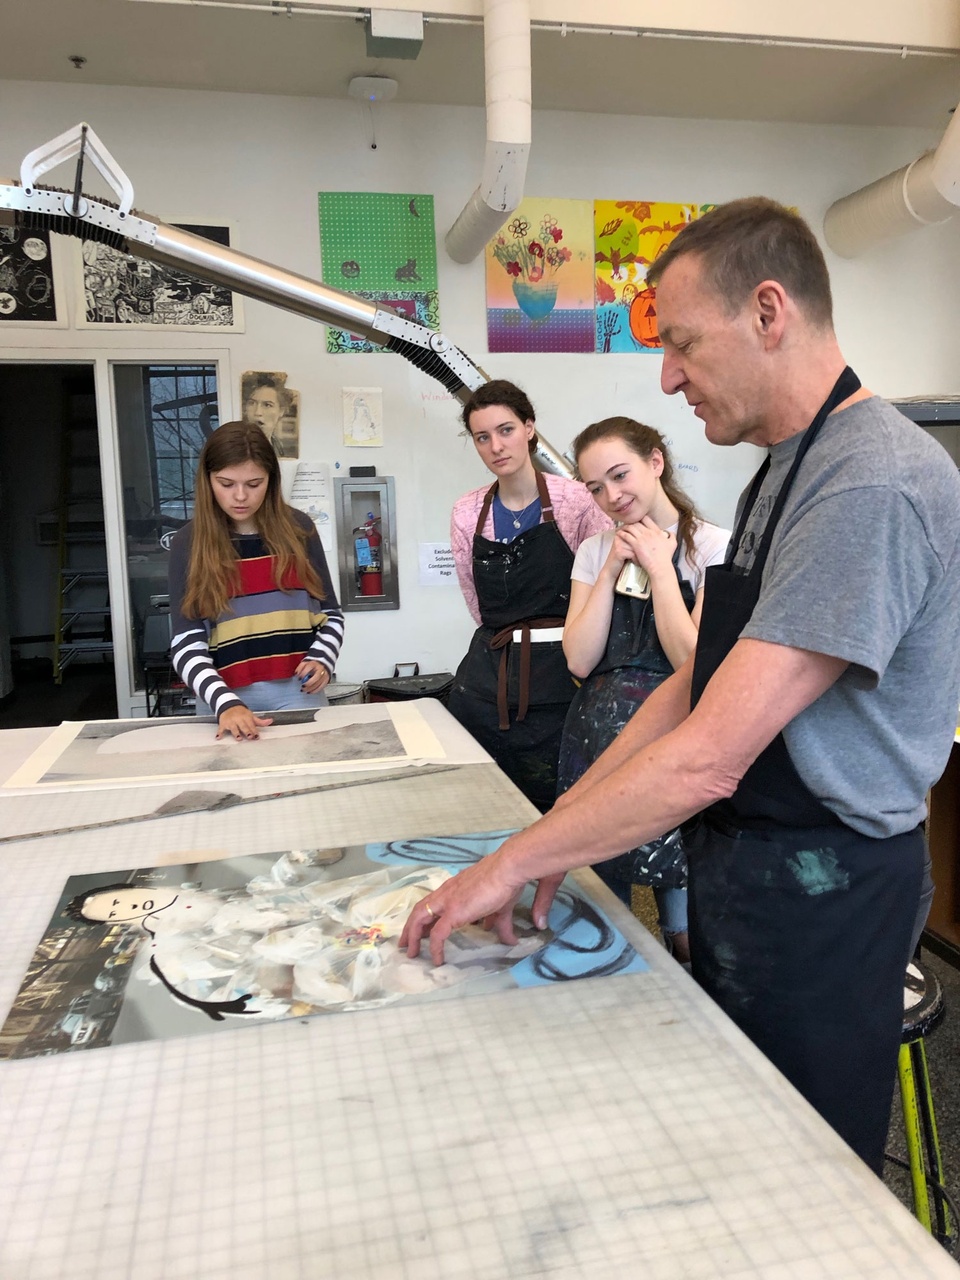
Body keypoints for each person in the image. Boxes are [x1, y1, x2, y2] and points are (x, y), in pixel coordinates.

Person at [402, 197, 960, 1175]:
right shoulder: (785, 470)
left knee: (803, 1176)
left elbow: (709, 752)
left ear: (770, 312)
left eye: (684, 344)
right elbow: (696, 685)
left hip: (823, 888)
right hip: (750, 870)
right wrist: (556, 829)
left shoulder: (867, 482)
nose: (668, 375)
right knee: (735, 1144)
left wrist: (514, 863)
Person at [559, 417, 729, 960]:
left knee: (682, 893)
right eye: (595, 487)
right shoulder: (592, 551)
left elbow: (692, 662)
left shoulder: (712, 546)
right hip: (596, 741)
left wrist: (660, 568)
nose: (611, 496)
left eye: (619, 475)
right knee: (603, 890)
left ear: (655, 461)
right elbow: (580, 659)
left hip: (673, 736)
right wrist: (610, 567)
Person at [447, 379, 612, 811]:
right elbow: (476, 604)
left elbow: (602, 595)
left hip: (562, 687)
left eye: (506, 430)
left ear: (529, 429)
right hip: (485, 689)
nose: (496, 446)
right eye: (483, 437)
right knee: (486, 809)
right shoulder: (467, 511)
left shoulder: (577, 502)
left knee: (563, 810)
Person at [168, 421, 344, 740]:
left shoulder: (300, 529)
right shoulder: (188, 543)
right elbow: (185, 643)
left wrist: (322, 657)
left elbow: (331, 614)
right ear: (207, 480)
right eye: (226, 483)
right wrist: (226, 704)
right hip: (221, 701)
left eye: (254, 483)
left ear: (271, 480)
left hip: (299, 695)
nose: (240, 496)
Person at [243, 373, 298, 458]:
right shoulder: (237, 448)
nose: (258, 412)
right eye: (252, 403)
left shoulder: (279, 447)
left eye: (267, 405)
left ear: (281, 411)